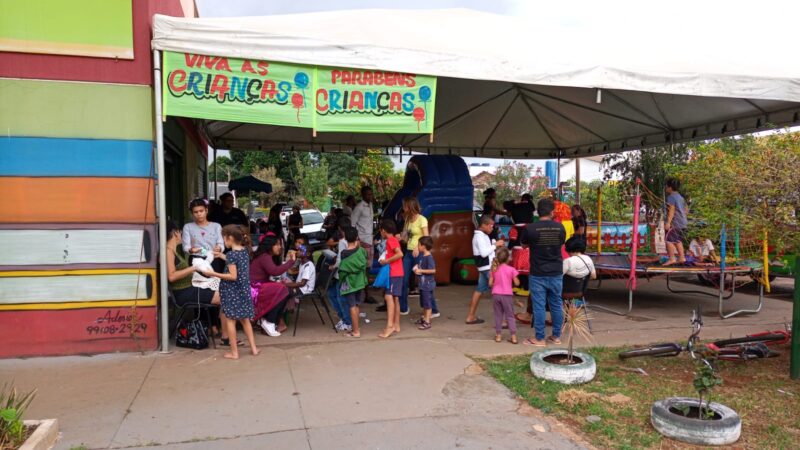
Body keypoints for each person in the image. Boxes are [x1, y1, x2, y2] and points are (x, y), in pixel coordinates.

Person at [199, 225, 259, 359]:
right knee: (245, 320)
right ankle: (254, 348)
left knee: (230, 321)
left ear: (230, 238)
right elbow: (235, 263)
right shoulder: (244, 251)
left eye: (224, 238)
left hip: (232, 292)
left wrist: (213, 273)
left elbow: (233, 276)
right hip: (243, 290)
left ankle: (234, 352)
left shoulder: (232, 255)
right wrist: (221, 255)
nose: (223, 241)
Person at [521, 198, 566, 347]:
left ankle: (539, 339)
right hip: (556, 272)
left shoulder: (530, 228)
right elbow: (561, 243)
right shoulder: (560, 228)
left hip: (538, 273)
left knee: (539, 306)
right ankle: (556, 336)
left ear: (537, 212)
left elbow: (524, 245)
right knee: (556, 304)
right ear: (552, 212)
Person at [398, 197, 439, 316]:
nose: (403, 208)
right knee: (403, 279)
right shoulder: (407, 220)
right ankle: (403, 308)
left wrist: (417, 246)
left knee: (424, 280)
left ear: (410, 207)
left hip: (419, 253)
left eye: (405, 206)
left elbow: (426, 239)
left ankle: (433, 310)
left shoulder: (422, 219)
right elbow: (405, 238)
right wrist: (400, 237)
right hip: (409, 253)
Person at [250, 235, 294, 337]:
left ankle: (271, 320)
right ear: (270, 246)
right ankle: (270, 321)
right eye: (277, 244)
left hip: (257, 286)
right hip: (254, 288)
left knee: (287, 290)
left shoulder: (264, 255)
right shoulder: (265, 257)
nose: (280, 247)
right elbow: (274, 272)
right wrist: (291, 262)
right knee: (283, 289)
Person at [466, 215, 505, 324]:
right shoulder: (479, 237)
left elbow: (485, 249)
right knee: (499, 292)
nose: (492, 228)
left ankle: (471, 316)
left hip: (486, 267)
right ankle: (501, 321)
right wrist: (495, 245)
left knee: (479, 290)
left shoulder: (482, 235)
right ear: (483, 225)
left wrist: (493, 244)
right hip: (488, 267)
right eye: (491, 226)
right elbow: (484, 253)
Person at [339, 226, 368, 338]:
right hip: (360, 282)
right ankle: (356, 327)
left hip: (350, 284)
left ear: (345, 238)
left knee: (351, 306)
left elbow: (343, 270)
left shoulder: (344, 254)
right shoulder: (362, 251)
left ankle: (355, 331)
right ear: (357, 237)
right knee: (356, 304)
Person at [182, 198, 226, 272]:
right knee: (197, 282)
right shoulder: (188, 227)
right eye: (195, 212)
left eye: (201, 211)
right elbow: (185, 246)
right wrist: (191, 250)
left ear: (206, 210)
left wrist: (219, 248)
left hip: (213, 259)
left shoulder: (216, 226)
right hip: (196, 260)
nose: (199, 214)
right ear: (192, 213)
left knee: (215, 281)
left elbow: (221, 244)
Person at [378, 219, 404, 338]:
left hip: (394, 272)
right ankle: (396, 324)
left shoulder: (391, 241)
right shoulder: (394, 240)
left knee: (388, 297)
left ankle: (390, 326)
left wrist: (386, 261)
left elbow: (399, 254)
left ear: (383, 231)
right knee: (395, 298)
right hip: (398, 272)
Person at [351, 186, 377, 304]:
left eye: (371, 194)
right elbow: (352, 225)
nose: (370, 196)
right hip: (362, 241)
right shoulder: (359, 207)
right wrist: (357, 240)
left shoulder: (370, 205)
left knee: (367, 268)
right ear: (362, 195)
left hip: (369, 240)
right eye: (367, 194)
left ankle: (365, 294)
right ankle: (365, 295)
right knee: (363, 268)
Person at [322, 231, 352, 332]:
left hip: (341, 274)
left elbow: (339, 260)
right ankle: (344, 319)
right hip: (340, 274)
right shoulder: (345, 241)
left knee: (341, 298)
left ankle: (347, 322)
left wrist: (333, 266)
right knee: (333, 294)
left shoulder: (343, 242)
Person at [489, 247, 519, 344]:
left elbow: (490, 283)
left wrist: (496, 284)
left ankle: (498, 336)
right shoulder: (511, 269)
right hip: (507, 295)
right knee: (510, 316)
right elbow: (517, 283)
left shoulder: (494, 269)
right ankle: (513, 337)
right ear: (508, 258)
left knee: (498, 315)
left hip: (496, 294)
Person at [413, 236, 436, 331]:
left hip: (427, 284)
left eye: (419, 245)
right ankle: (424, 317)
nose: (417, 246)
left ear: (424, 246)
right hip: (423, 284)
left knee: (427, 304)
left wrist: (421, 270)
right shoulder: (423, 256)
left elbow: (433, 270)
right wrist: (416, 268)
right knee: (424, 303)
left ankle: (427, 321)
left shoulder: (429, 258)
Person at [664, 178, 688, 266]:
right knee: (678, 240)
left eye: (666, 186)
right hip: (683, 222)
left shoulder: (671, 197)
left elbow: (672, 210)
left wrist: (668, 222)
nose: (666, 188)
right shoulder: (681, 197)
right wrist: (682, 216)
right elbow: (686, 209)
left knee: (668, 240)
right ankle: (682, 258)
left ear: (670, 187)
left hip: (676, 223)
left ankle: (672, 258)